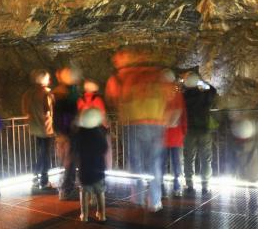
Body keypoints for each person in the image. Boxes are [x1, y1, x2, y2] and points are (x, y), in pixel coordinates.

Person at [105, 48, 179, 212]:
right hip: (156, 122)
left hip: (133, 123)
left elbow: (111, 96)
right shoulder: (157, 74)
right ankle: (154, 201)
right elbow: (171, 96)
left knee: (136, 162)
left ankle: (137, 198)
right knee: (154, 163)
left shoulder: (121, 77)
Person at [182, 72, 217, 195]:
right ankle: (205, 186)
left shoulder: (184, 97)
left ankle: (189, 184)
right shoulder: (205, 95)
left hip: (190, 130)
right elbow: (213, 90)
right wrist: (202, 81)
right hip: (204, 130)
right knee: (206, 158)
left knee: (188, 158)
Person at [22, 69, 55, 190]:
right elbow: (48, 111)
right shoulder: (45, 94)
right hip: (45, 129)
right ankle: (44, 180)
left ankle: (35, 176)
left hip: (33, 128)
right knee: (45, 155)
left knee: (39, 153)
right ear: (44, 79)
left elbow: (25, 111)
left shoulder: (27, 94)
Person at [52, 67, 81, 200]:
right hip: (69, 131)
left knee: (66, 160)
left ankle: (66, 187)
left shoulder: (61, 93)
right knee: (69, 160)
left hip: (65, 131)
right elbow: (65, 115)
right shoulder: (67, 94)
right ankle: (66, 188)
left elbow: (57, 116)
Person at [76, 108, 109, 222]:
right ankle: (102, 215)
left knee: (84, 193)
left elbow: (76, 149)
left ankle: (84, 216)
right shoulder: (100, 133)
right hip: (98, 169)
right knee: (100, 193)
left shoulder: (80, 134)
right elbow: (104, 148)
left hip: (84, 170)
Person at [77, 78, 111, 169]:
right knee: (102, 150)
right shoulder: (97, 99)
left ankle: (87, 169)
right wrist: (106, 125)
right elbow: (102, 114)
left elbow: (79, 115)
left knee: (87, 151)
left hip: (84, 129)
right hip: (97, 129)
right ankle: (103, 169)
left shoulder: (80, 100)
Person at [162, 73, 187, 197]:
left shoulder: (161, 97)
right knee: (177, 163)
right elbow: (181, 114)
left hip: (164, 135)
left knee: (162, 163)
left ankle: (161, 189)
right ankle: (177, 188)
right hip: (176, 136)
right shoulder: (178, 96)